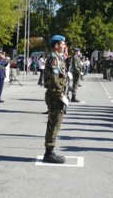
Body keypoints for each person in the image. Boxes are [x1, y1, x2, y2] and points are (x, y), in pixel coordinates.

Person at [42, 35, 68, 164]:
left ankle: (50, 150)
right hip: (55, 95)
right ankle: (49, 153)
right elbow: (54, 79)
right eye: (63, 44)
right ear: (56, 45)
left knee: (56, 123)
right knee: (53, 123)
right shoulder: (54, 58)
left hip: (56, 94)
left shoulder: (58, 58)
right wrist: (61, 95)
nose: (64, 46)